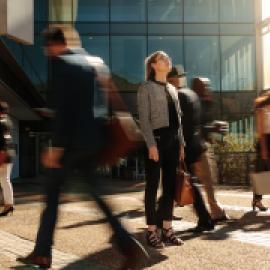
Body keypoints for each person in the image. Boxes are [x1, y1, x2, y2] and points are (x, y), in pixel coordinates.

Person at [17, 26, 148, 269]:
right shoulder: (93, 63)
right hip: (94, 140)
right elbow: (94, 103)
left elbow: (67, 109)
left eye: (47, 47)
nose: (47, 52)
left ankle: (42, 253)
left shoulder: (62, 65)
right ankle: (128, 245)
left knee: (53, 197)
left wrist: (55, 147)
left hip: (70, 144)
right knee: (97, 196)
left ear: (54, 45)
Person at [137, 51, 185, 248]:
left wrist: (181, 144)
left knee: (170, 187)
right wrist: (151, 145)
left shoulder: (173, 90)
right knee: (152, 186)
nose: (167, 60)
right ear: (154, 66)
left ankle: (167, 229)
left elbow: (179, 120)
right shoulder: (146, 88)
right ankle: (151, 231)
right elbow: (144, 120)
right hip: (156, 141)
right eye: (162, 59)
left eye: (167, 58)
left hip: (173, 142)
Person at [167, 66, 215, 232]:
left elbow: (179, 126)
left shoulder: (177, 97)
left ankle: (205, 218)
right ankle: (205, 218)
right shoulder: (191, 94)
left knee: (185, 182)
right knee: (189, 181)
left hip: (184, 146)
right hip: (195, 144)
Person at [191, 77, 229, 223]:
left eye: (208, 84)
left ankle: (213, 211)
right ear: (197, 87)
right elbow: (195, 126)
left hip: (203, 145)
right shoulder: (194, 102)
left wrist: (215, 126)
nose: (208, 87)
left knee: (207, 180)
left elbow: (204, 124)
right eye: (204, 85)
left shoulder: (205, 103)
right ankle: (214, 212)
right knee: (206, 180)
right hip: (196, 148)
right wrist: (213, 127)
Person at [252, 91, 270, 211]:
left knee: (263, 173)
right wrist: (264, 150)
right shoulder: (262, 109)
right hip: (265, 143)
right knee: (262, 174)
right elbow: (260, 132)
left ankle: (256, 200)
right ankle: (257, 200)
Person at [0, 101, 14, 217]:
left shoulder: (3, 123)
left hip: (4, 155)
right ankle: (8, 204)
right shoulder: (7, 122)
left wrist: (3, 158)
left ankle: (9, 205)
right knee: (4, 180)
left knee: (5, 180)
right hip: (5, 155)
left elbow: (5, 141)